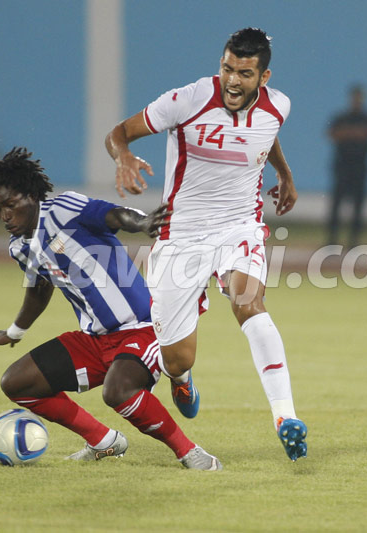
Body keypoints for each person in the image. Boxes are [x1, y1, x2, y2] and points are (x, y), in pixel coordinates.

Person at [105, 28, 307, 461]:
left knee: (249, 303)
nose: (233, 80)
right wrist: (123, 156)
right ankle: (182, 379)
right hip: (179, 236)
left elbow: (266, 134)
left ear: (264, 77)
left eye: (245, 73)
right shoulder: (187, 100)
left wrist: (284, 174)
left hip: (239, 227)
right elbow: (118, 132)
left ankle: (285, 417)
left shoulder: (278, 106)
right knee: (177, 359)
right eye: (227, 68)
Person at [0, 147, 222, 470]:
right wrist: (15, 331)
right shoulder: (19, 246)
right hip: (94, 339)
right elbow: (39, 288)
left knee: (118, 390)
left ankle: (189, 449)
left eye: (10, 205)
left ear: (31, 196)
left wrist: (142, 222)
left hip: (143, 326)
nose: (5, 215)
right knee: (16, 383)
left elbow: (112, 214)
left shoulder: (62, 210)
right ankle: (104, 441)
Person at [327, 84, 367, 248]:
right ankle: (332, 240)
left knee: (358, 206)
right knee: (336, 205)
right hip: (342, 166)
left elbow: (365, 134)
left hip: (360, 167)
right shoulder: (341, 118)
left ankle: (353, 241)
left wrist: (346, 133)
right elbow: (332, 134)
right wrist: (353, 133)